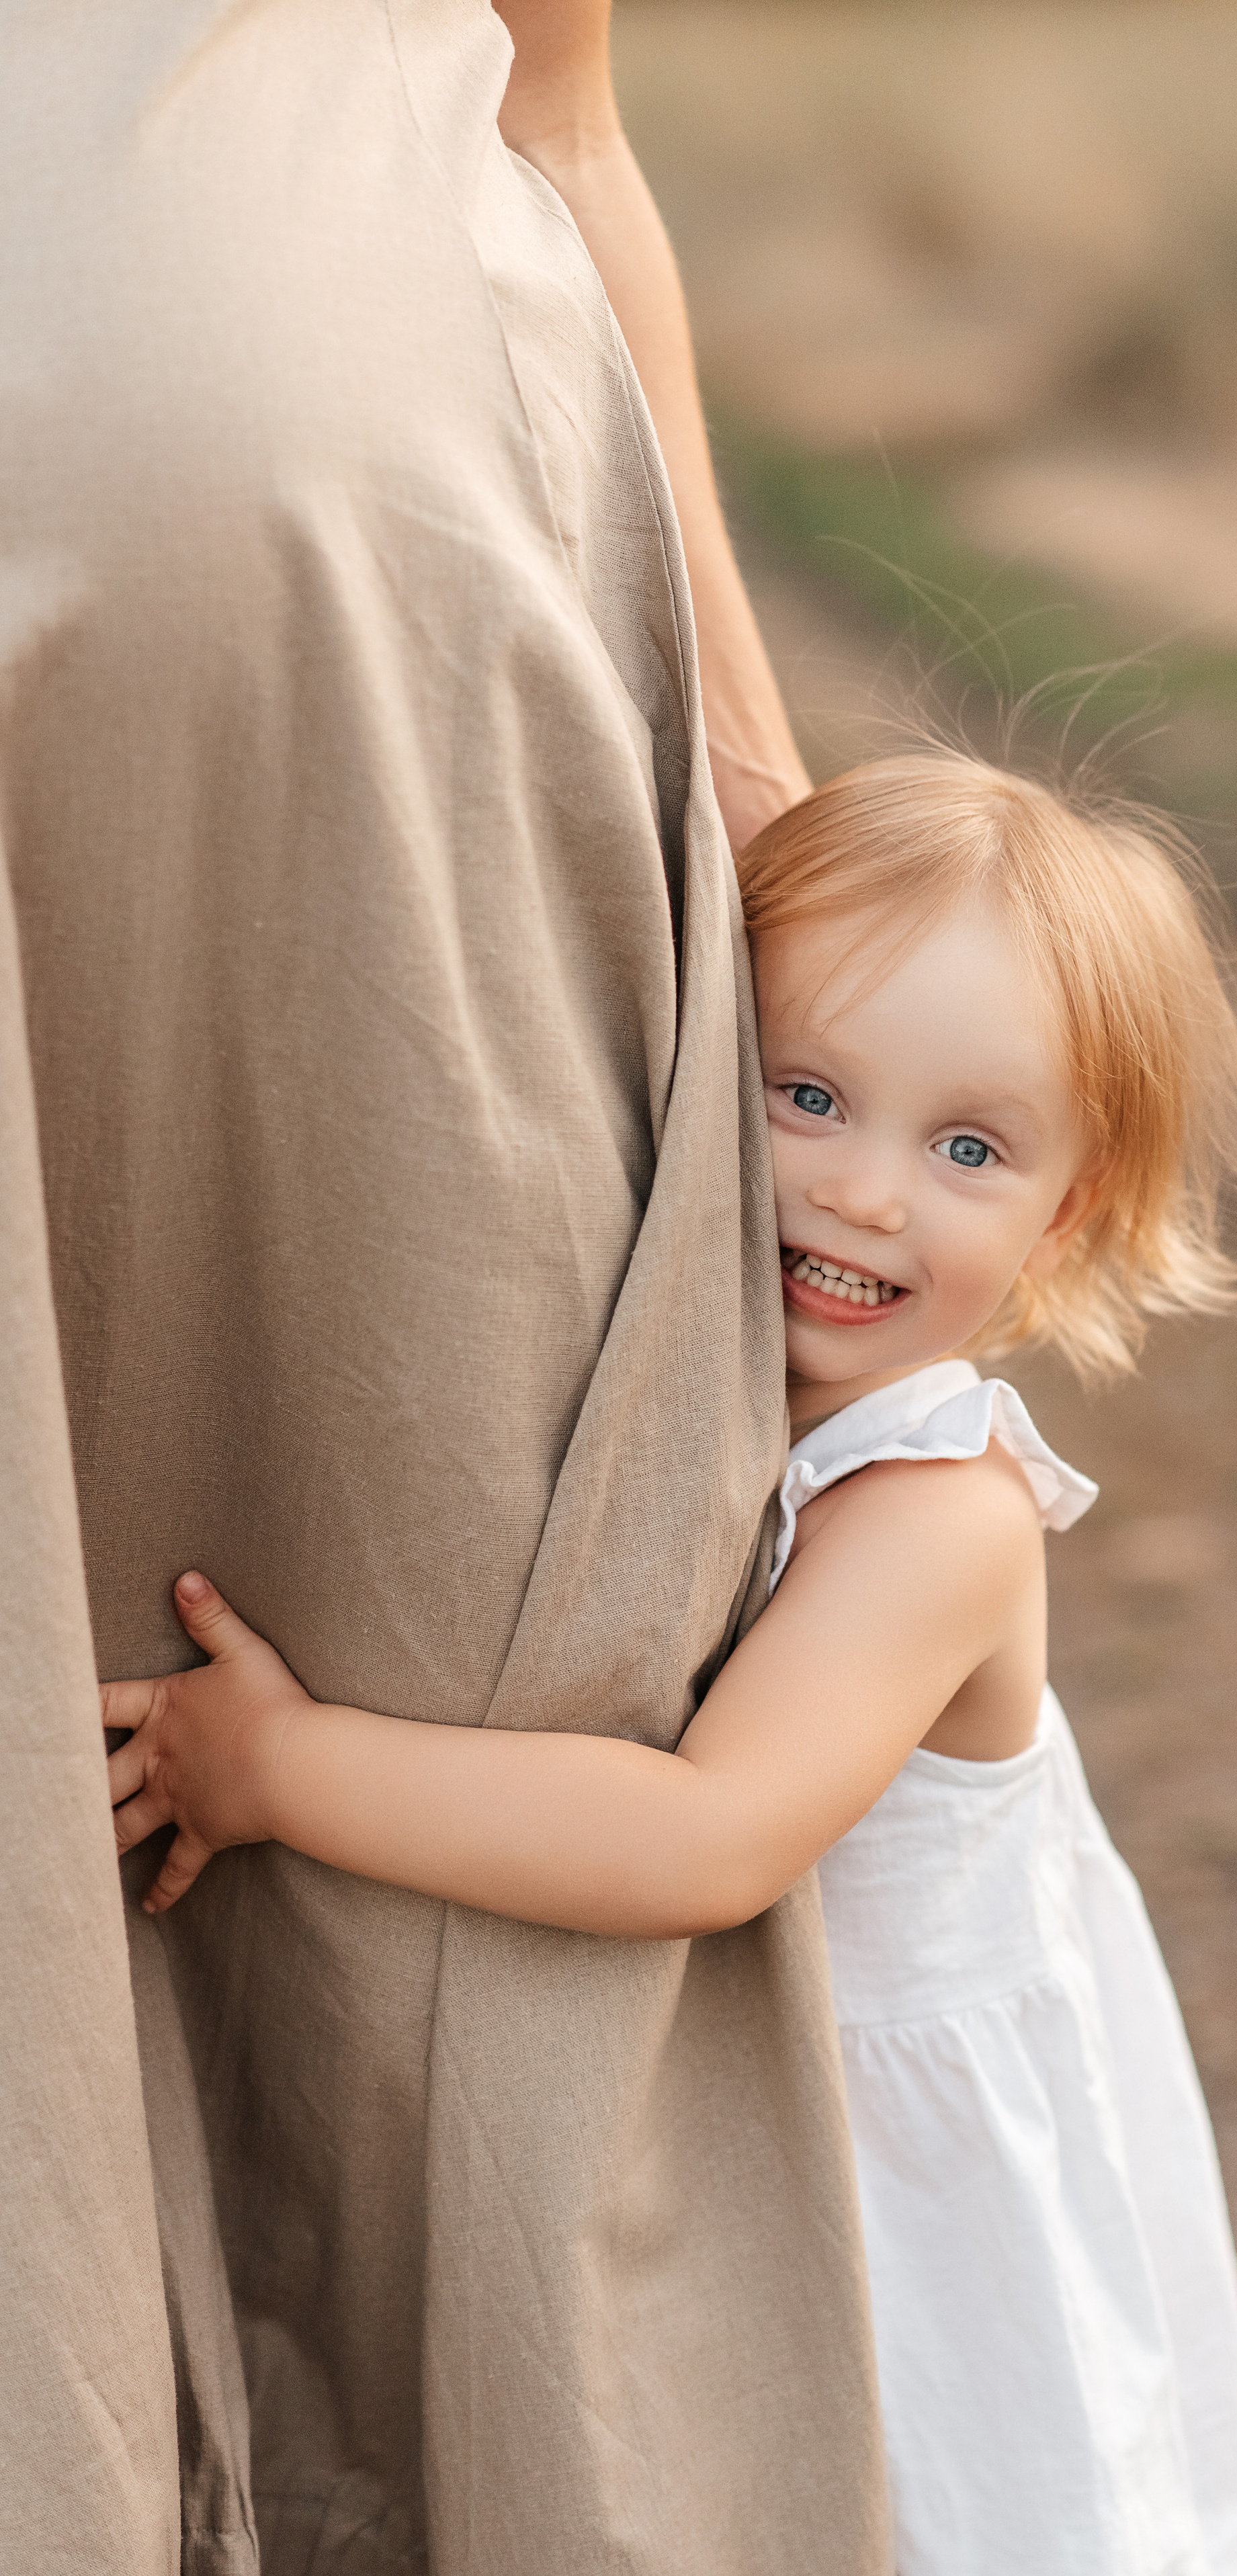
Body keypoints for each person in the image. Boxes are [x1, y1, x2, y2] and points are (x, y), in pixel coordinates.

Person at [1, 3, 887, 2569]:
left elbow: (556, 104)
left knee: (430, 1686)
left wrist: (744, 765)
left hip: (357, 699)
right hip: (292, 589)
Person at [106, 753, 1237, 2576]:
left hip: (898, 2170)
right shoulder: (712, 1404)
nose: (867, 1191)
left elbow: (703, 1838)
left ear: (1070, 1211)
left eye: (969, 1147)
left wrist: (280, 1767)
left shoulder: (940, 1513)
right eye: (807, 1091)